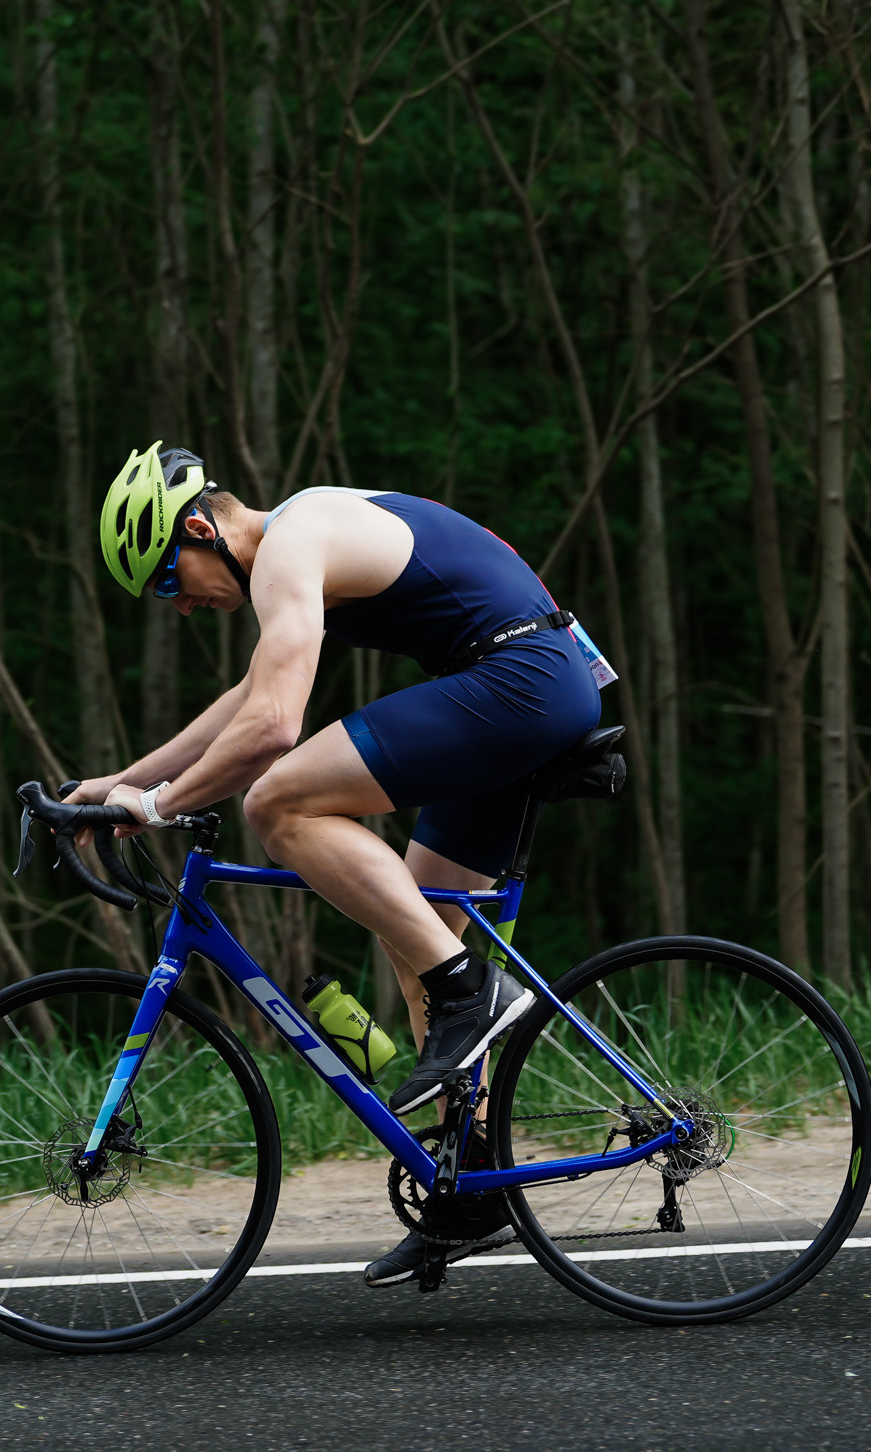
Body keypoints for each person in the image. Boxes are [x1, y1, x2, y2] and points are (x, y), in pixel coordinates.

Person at [66, 442, 612, 1287]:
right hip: (526, 676)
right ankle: (469, 1185)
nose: (178, 607)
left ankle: (471, 992)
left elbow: (275, 729)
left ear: (201, 528)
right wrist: (123, 784)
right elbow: (248, 699)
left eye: (169, 580)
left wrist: (162, 807)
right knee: (421, 925)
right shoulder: (294, 543)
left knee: (276, 803)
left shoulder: (293, 538)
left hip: (521, 678)